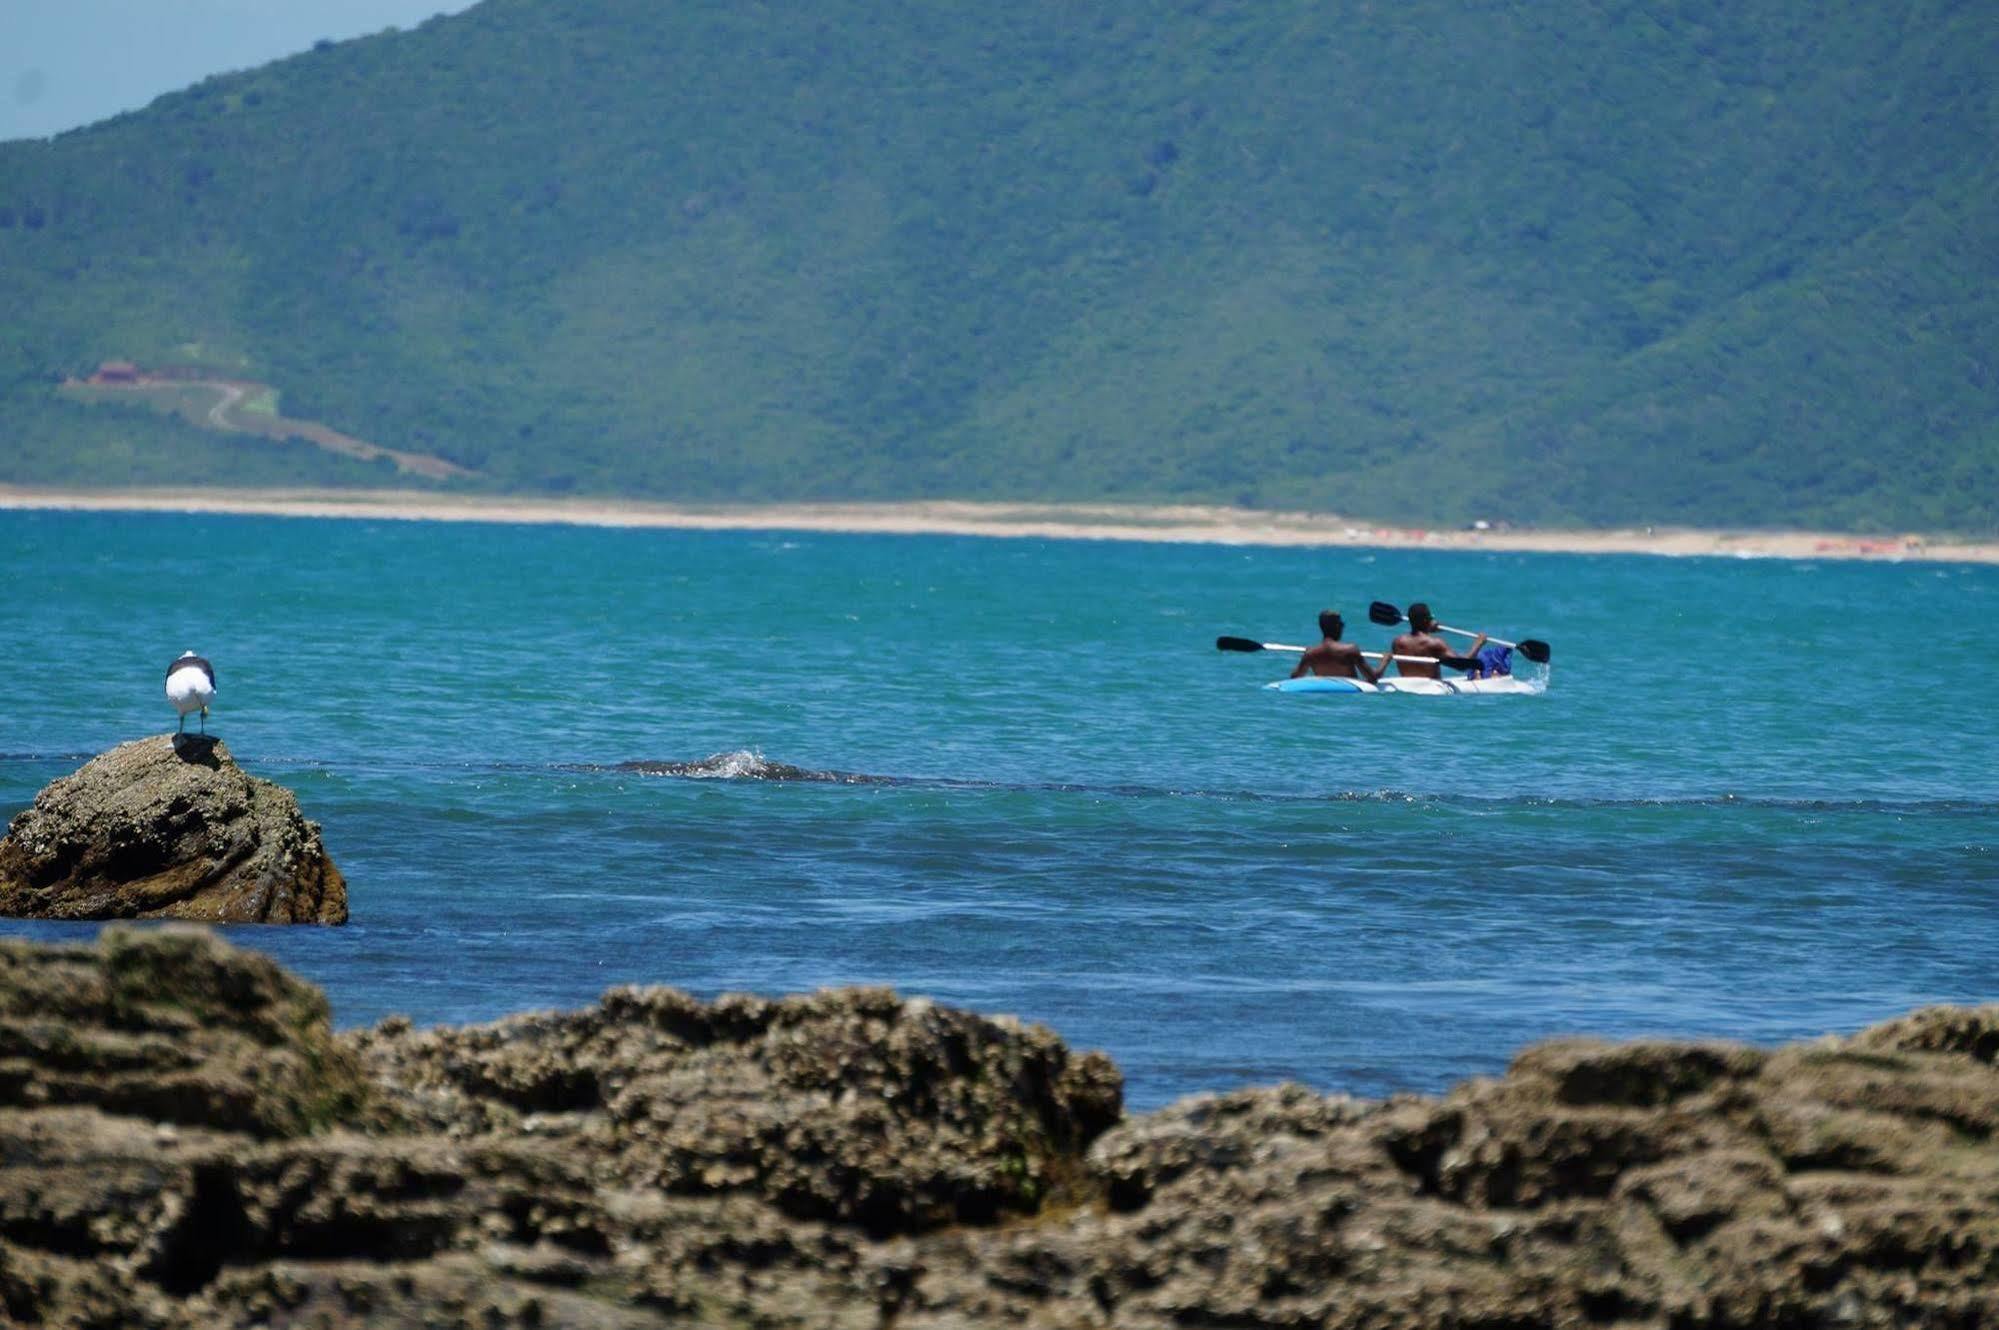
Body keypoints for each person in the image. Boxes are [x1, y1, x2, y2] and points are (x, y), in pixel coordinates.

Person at [1382, 602, 1485, 679]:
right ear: (1427, 620)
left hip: (1406, 684)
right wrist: (1478, 643)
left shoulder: (1397, 642)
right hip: (1430, 688)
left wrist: (1427, 628)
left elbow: (1417, 638)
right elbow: (1462, 665)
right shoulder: (1434, 643)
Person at [1291, 611, 1386, 683]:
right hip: (1349, 698)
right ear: (1337, 626)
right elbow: (1373, 678)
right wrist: (1385, 660)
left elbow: (1295, 677)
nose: (1343, 626)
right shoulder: (1350, 650)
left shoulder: (1310, 653)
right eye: (1341, 624)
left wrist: (1305, 657)